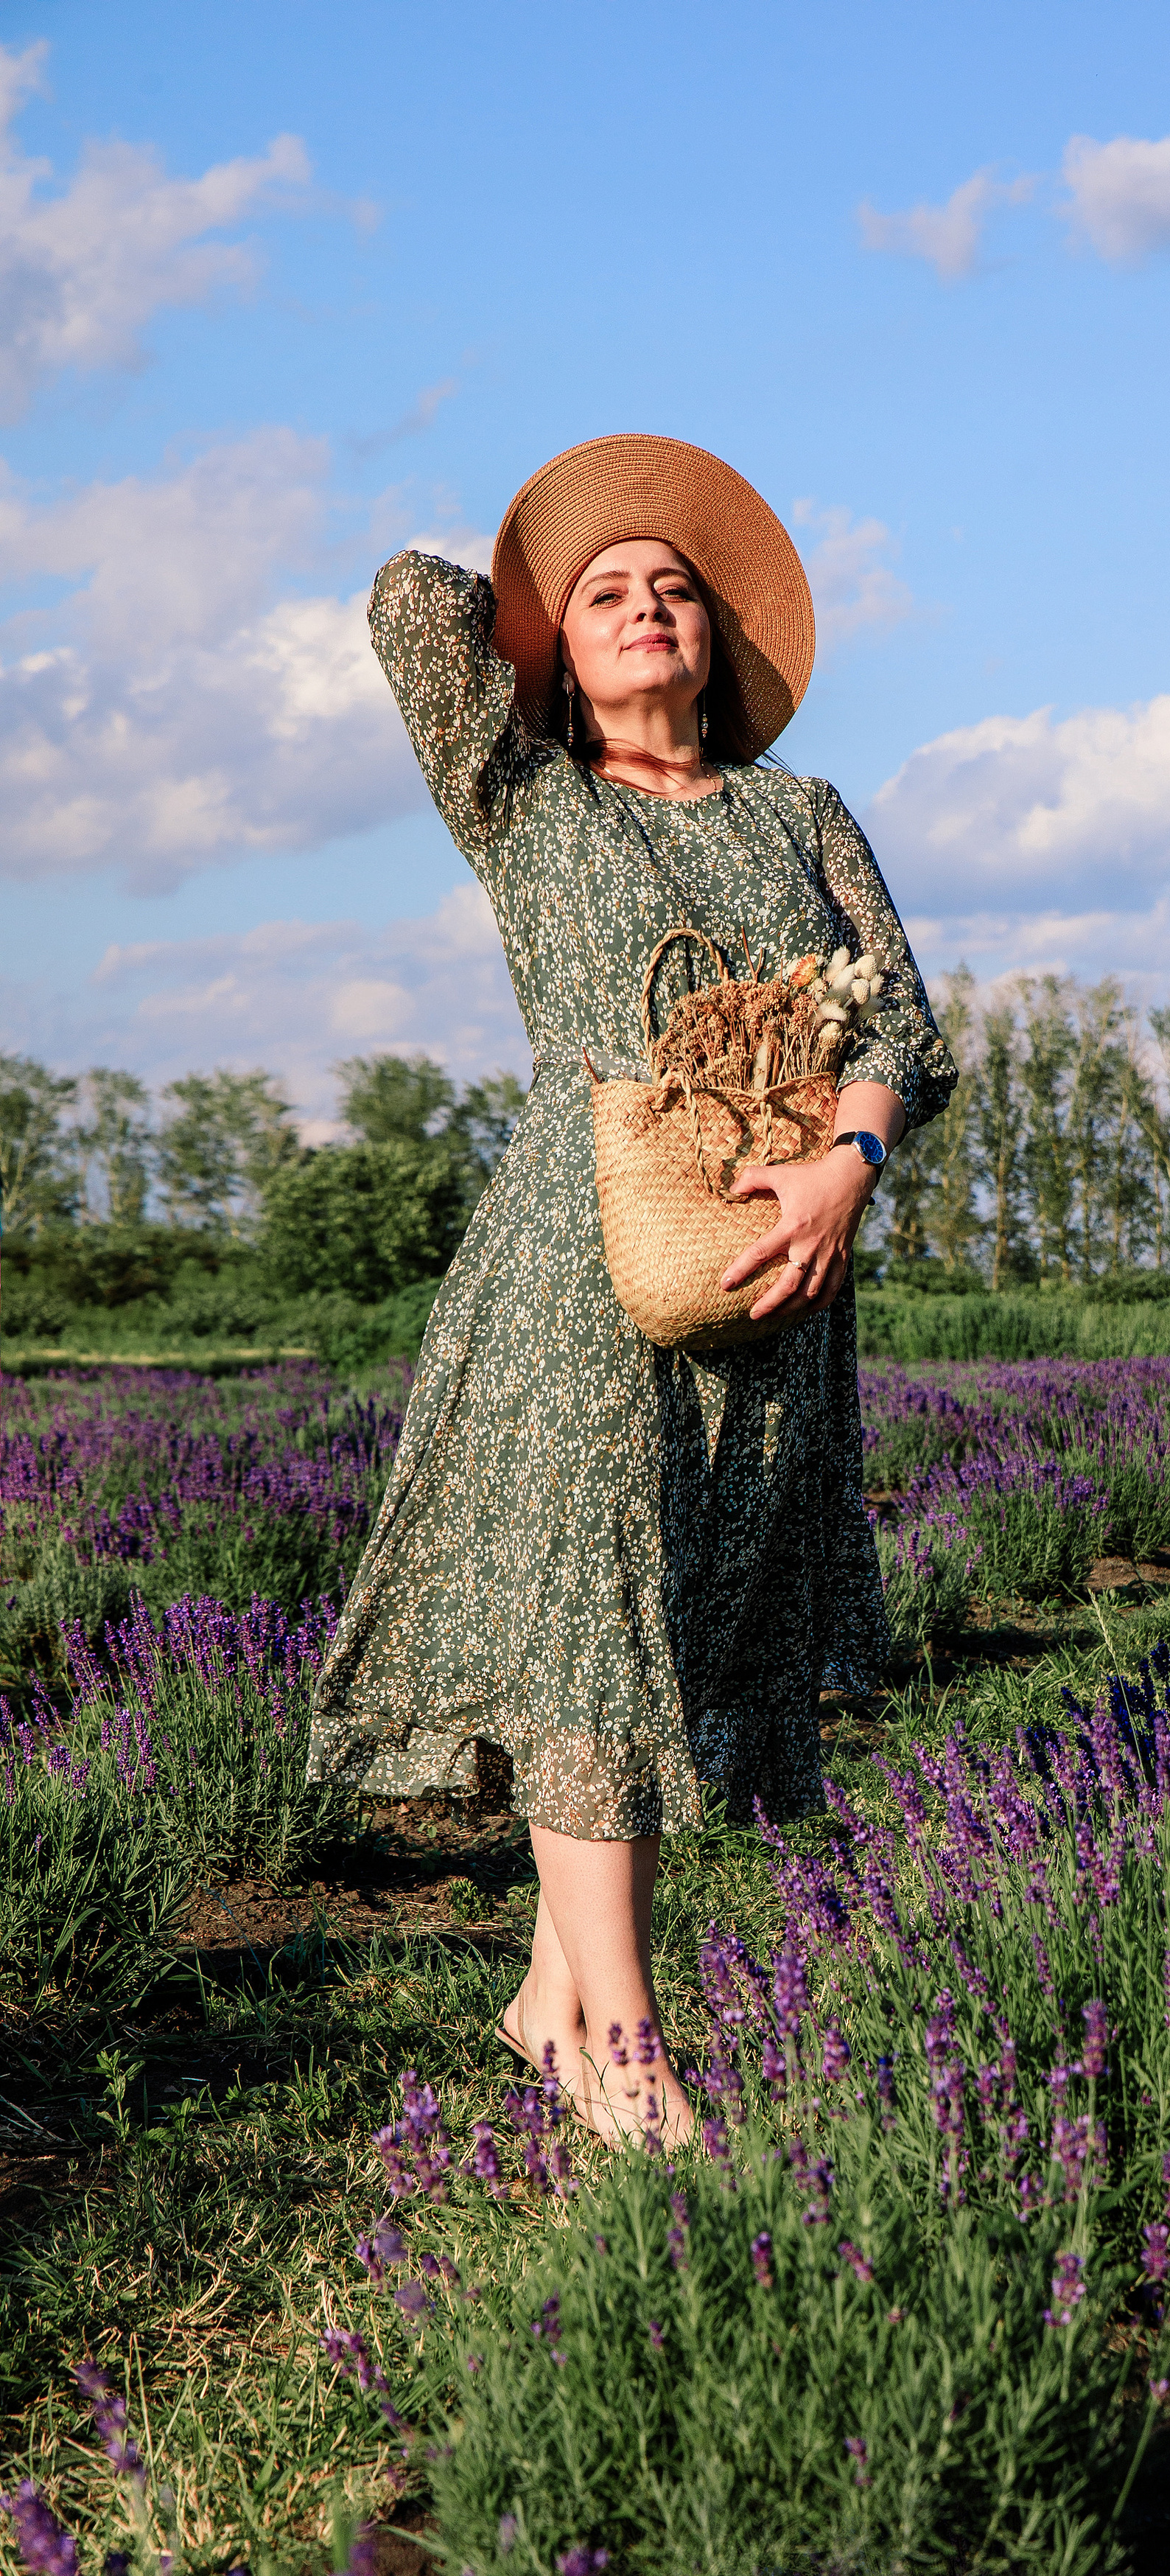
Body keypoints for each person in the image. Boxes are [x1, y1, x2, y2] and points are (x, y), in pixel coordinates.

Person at [306, 436, 957, 2148]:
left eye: (677, 588)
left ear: (722, 649)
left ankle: (548, 1993)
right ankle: (628, 2052)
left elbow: (900, 1026)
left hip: (775, 1258)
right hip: (575, 1266)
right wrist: (544, 582)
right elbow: (406, 604)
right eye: (610, 596)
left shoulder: (798, 811)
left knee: (677, 1623)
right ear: (554, 657)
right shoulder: (525, 800)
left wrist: (847, 1165)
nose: (650, 605)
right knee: (599, 1625)